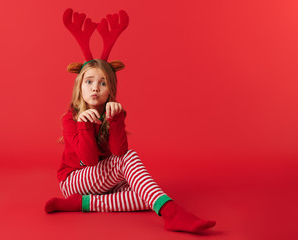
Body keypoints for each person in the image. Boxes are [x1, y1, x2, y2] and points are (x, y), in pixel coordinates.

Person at [44, 59, 216, 233]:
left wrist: (116, 119)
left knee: (145, 195)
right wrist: (85, 124)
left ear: (111, 89)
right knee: (130, 159)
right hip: (74, 180)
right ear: (79, 86)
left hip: (101, 180)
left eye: (102, 83)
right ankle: (171, 212)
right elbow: (89, 160)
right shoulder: (70, 118)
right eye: (89, 81)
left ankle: (83, 204)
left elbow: (118, 151)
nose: (95, 88)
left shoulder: (113, 113)